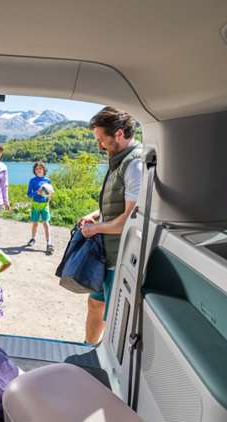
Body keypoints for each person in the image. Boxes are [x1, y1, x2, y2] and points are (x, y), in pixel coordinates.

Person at [78, 107, 142, 344]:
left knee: (115, 314)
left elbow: (129, 221)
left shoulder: (134, 164)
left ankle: (107, 364)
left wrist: (93, 229)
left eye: (101, 140)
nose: (99, 147)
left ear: (120, 133)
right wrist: (96, 214)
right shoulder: (119, 160)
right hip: (108, 254)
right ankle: (89, 347)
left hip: (121, 254)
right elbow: (119, 202)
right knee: (95, 302)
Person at [26, 161, 55, 252]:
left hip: (45, 205)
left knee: (46, 223)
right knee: (35, 223)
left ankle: (49, 244)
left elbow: (49, 192)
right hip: (35, 205)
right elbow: (29, 194)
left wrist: (50, 196)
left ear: (44, 169)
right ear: (34, 170)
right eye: (36, 169)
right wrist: (37, 193)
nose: (38, 170)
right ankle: (33, 238)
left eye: (40, 168)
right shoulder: (32, 180)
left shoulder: (47, 180)